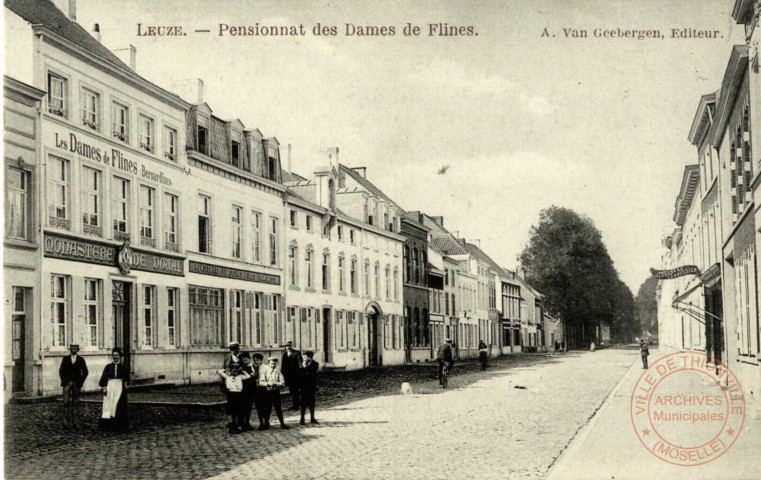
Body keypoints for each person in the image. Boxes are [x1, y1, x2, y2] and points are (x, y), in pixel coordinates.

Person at [98, 348, 129, 432]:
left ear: (120, 356)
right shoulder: (108, 366)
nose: (115, 357)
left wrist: (125, 385)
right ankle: (107, 425)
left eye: (117, 355)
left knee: (118, 404)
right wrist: (104, 387)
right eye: (114, 355)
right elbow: (104, 377)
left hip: (119, 386)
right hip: (110, 386)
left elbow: (126, 378)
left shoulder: (123, 367)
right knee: (108, 404)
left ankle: (119, 425)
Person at [59, 344, 88, 429]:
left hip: (76, 383)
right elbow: (61, 371)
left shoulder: (81, 360)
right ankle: (65, 422)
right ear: (70, 349)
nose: (73, 350)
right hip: (67, 383)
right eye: (71, 348)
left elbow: (85, 372)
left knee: (75, 403)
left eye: (75, 348)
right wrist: (64, 380)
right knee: (65, 402)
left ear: (77, 349)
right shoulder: (65, 359)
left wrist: (80, 382)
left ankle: (75, 422)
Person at [218, 362, 250, 434]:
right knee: (233, 410)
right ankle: (232, 426)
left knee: (240, 410)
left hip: (239, 394)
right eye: (233, 370)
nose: (235, 372)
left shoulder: (240, 376)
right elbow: (219, 372)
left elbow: (248, 376)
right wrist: (227, 369)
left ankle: (239, 425)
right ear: (230, 370)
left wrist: (242, 371)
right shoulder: (227, 376)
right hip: (231, 394)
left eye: (236, 370)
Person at [260, 357, 289, 429]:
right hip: (268, 392)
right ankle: (266, 424)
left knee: (278, 408)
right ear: (269, 364)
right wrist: (268, 383)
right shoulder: (265, 372)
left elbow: (283, 383)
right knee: (267, 408)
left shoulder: (278, 372)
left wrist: (276, 383)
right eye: (272, 363)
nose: (273, 365)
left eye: (274, 364)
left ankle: (282, 423)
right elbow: (261, 382)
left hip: (276, 392)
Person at [281, 341, 303, 411]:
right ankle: (297, 403)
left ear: (291, 346)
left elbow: (300, 363)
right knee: (292, 390)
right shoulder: (284, 354)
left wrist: (300, 373)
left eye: (289, 346)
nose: (288, 347)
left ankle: (296, 405)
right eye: (287, 346)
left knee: (296, 390)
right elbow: (283, 365)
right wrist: (282, 375)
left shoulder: (296, 353)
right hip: (288, 376)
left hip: (295, 375)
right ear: (285, 347)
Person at [300, 351, 319, 426]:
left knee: (311, 403)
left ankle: (312, 418)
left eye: (305, 357)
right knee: (303, 403)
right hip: (303, 387)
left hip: (311, 387)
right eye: (303, 357)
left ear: (310, 357)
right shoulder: (302, 364)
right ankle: (302, 419)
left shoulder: (315, 364)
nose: (304, 359)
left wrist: (304, 368)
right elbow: (299, 374)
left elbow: (311, 374)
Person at [239, 352, 257, 431]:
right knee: (243, 407)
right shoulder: (241, 369)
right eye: (243, 361)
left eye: (246, 360)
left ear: (249, 359)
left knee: (249, 407)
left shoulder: (254, 366)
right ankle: (242, 424)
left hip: (252, 390)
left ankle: (247, 423)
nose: (244, 362)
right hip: (244, 390)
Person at [251, 353, 268, 430]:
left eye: (257, 360)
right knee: (258, 407)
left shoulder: (265, 367)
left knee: (265, 406)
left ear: (261, 360)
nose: (256, 362)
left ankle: (266, 422)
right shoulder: (253, 367)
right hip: (256, 389)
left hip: (264, 389)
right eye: (254, 360)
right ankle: (261, 423)